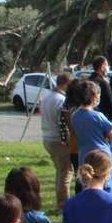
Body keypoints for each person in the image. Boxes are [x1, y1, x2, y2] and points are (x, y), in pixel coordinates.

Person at [71, 79, 112, 193]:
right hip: (101, 154)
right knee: (106, 186)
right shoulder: (98, 116)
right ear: (94, 97)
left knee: (87, 182)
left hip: (84, 153)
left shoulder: (74, 115)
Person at [40, 71, 73, 205]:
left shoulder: (46, 97)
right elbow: (63, 124)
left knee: (59, 171)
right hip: (58, 140)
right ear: (66, 85)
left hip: (47, 138)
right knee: (66, 173)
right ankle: (63, 203)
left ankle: (60, 199)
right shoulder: (61, 100)